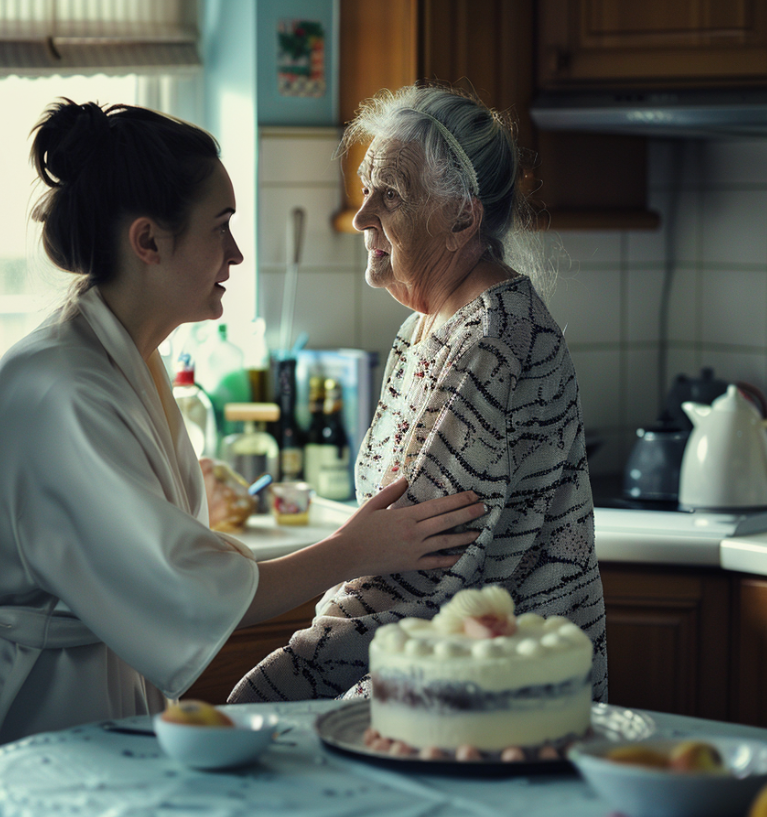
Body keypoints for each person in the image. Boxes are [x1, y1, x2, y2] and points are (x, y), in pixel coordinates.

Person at [0, 100, 485, 817]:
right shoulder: (59, 387)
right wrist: (356, 549)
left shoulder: (118, 358)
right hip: (14, 709)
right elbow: (185, 588)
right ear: (148, 241)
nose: (234, 254)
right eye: (221, 227)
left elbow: (152, 550)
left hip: (76, 692)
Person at [229, 84, 608, 705]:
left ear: (463, 214)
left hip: (491, 689)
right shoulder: (423, 328)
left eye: (392, 195)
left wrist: (284, 681)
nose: (361, 216)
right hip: (437, 671)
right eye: (367, 187)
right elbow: (391, 543)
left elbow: (422, 571)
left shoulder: (492, 340)